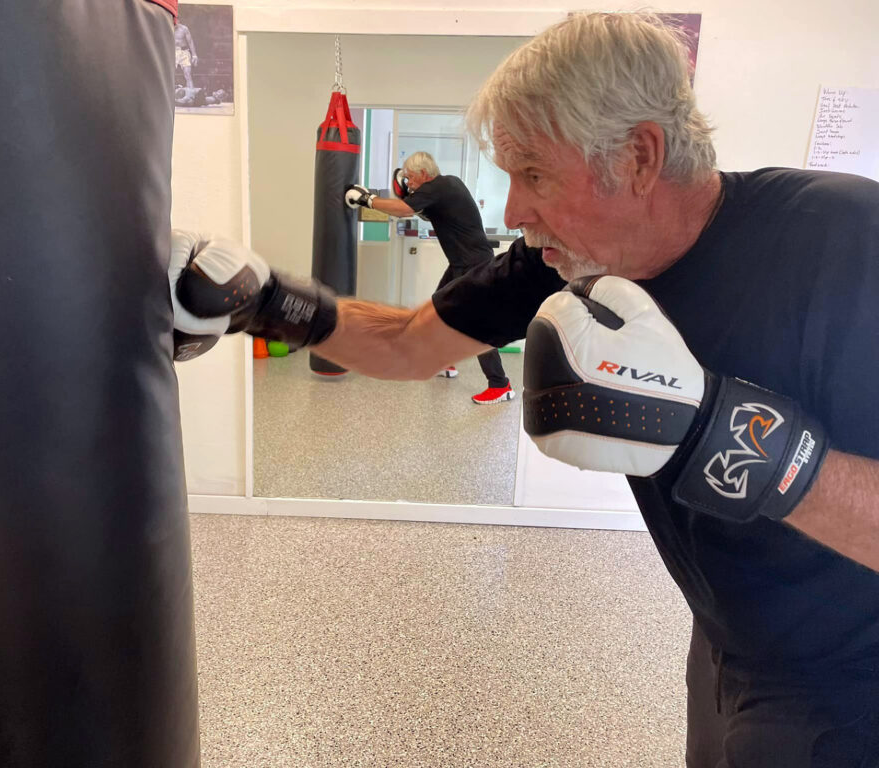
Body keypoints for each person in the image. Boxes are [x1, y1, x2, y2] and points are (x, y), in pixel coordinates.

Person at [170, 11, 879, 766]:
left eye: (534, 174)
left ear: (639, 156)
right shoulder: (564, 259)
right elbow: (410, 345)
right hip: (726, 638)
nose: (511, 212)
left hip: (851, 676)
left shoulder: (844, 242)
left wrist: (722, 437)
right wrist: (266, 302)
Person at [345, 152, 515, 404]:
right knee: (438, 310)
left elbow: (404, 210)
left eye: (411, 178)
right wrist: (407, 196)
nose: (409, 184)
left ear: (424, 174)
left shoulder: (437, 187)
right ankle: (445, 362)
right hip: (462, 264)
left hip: (473, 266)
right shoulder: (447, 186)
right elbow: (423, 211)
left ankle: (500, 385)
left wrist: (367, 199)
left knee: (476, 326)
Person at [174, 20, 197, 90]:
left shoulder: (184, 29)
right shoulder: (168, 28)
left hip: (184, 52)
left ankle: (191, 92)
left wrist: (194, 55)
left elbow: (190, 41)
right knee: (169, 73)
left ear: (178, 20)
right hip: (173, 51)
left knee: (187, 74)